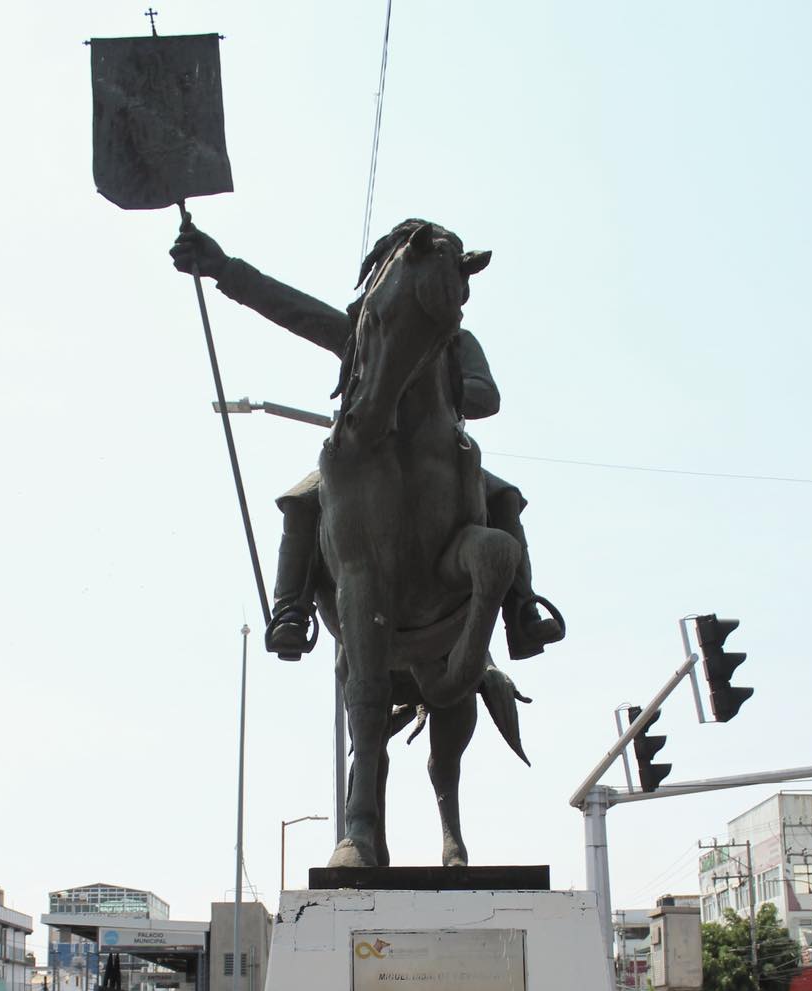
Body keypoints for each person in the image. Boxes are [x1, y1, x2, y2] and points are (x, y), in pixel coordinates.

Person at [169, 220, 564, 665]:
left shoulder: (456, 343)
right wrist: (222, 268)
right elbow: (293, 309)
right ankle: (292, 610)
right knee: (303, 499)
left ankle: (521, 609)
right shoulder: (366, 336)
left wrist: (437, 383)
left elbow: (487, 396)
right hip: (364, 456)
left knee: (504, 497)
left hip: (441, 458)